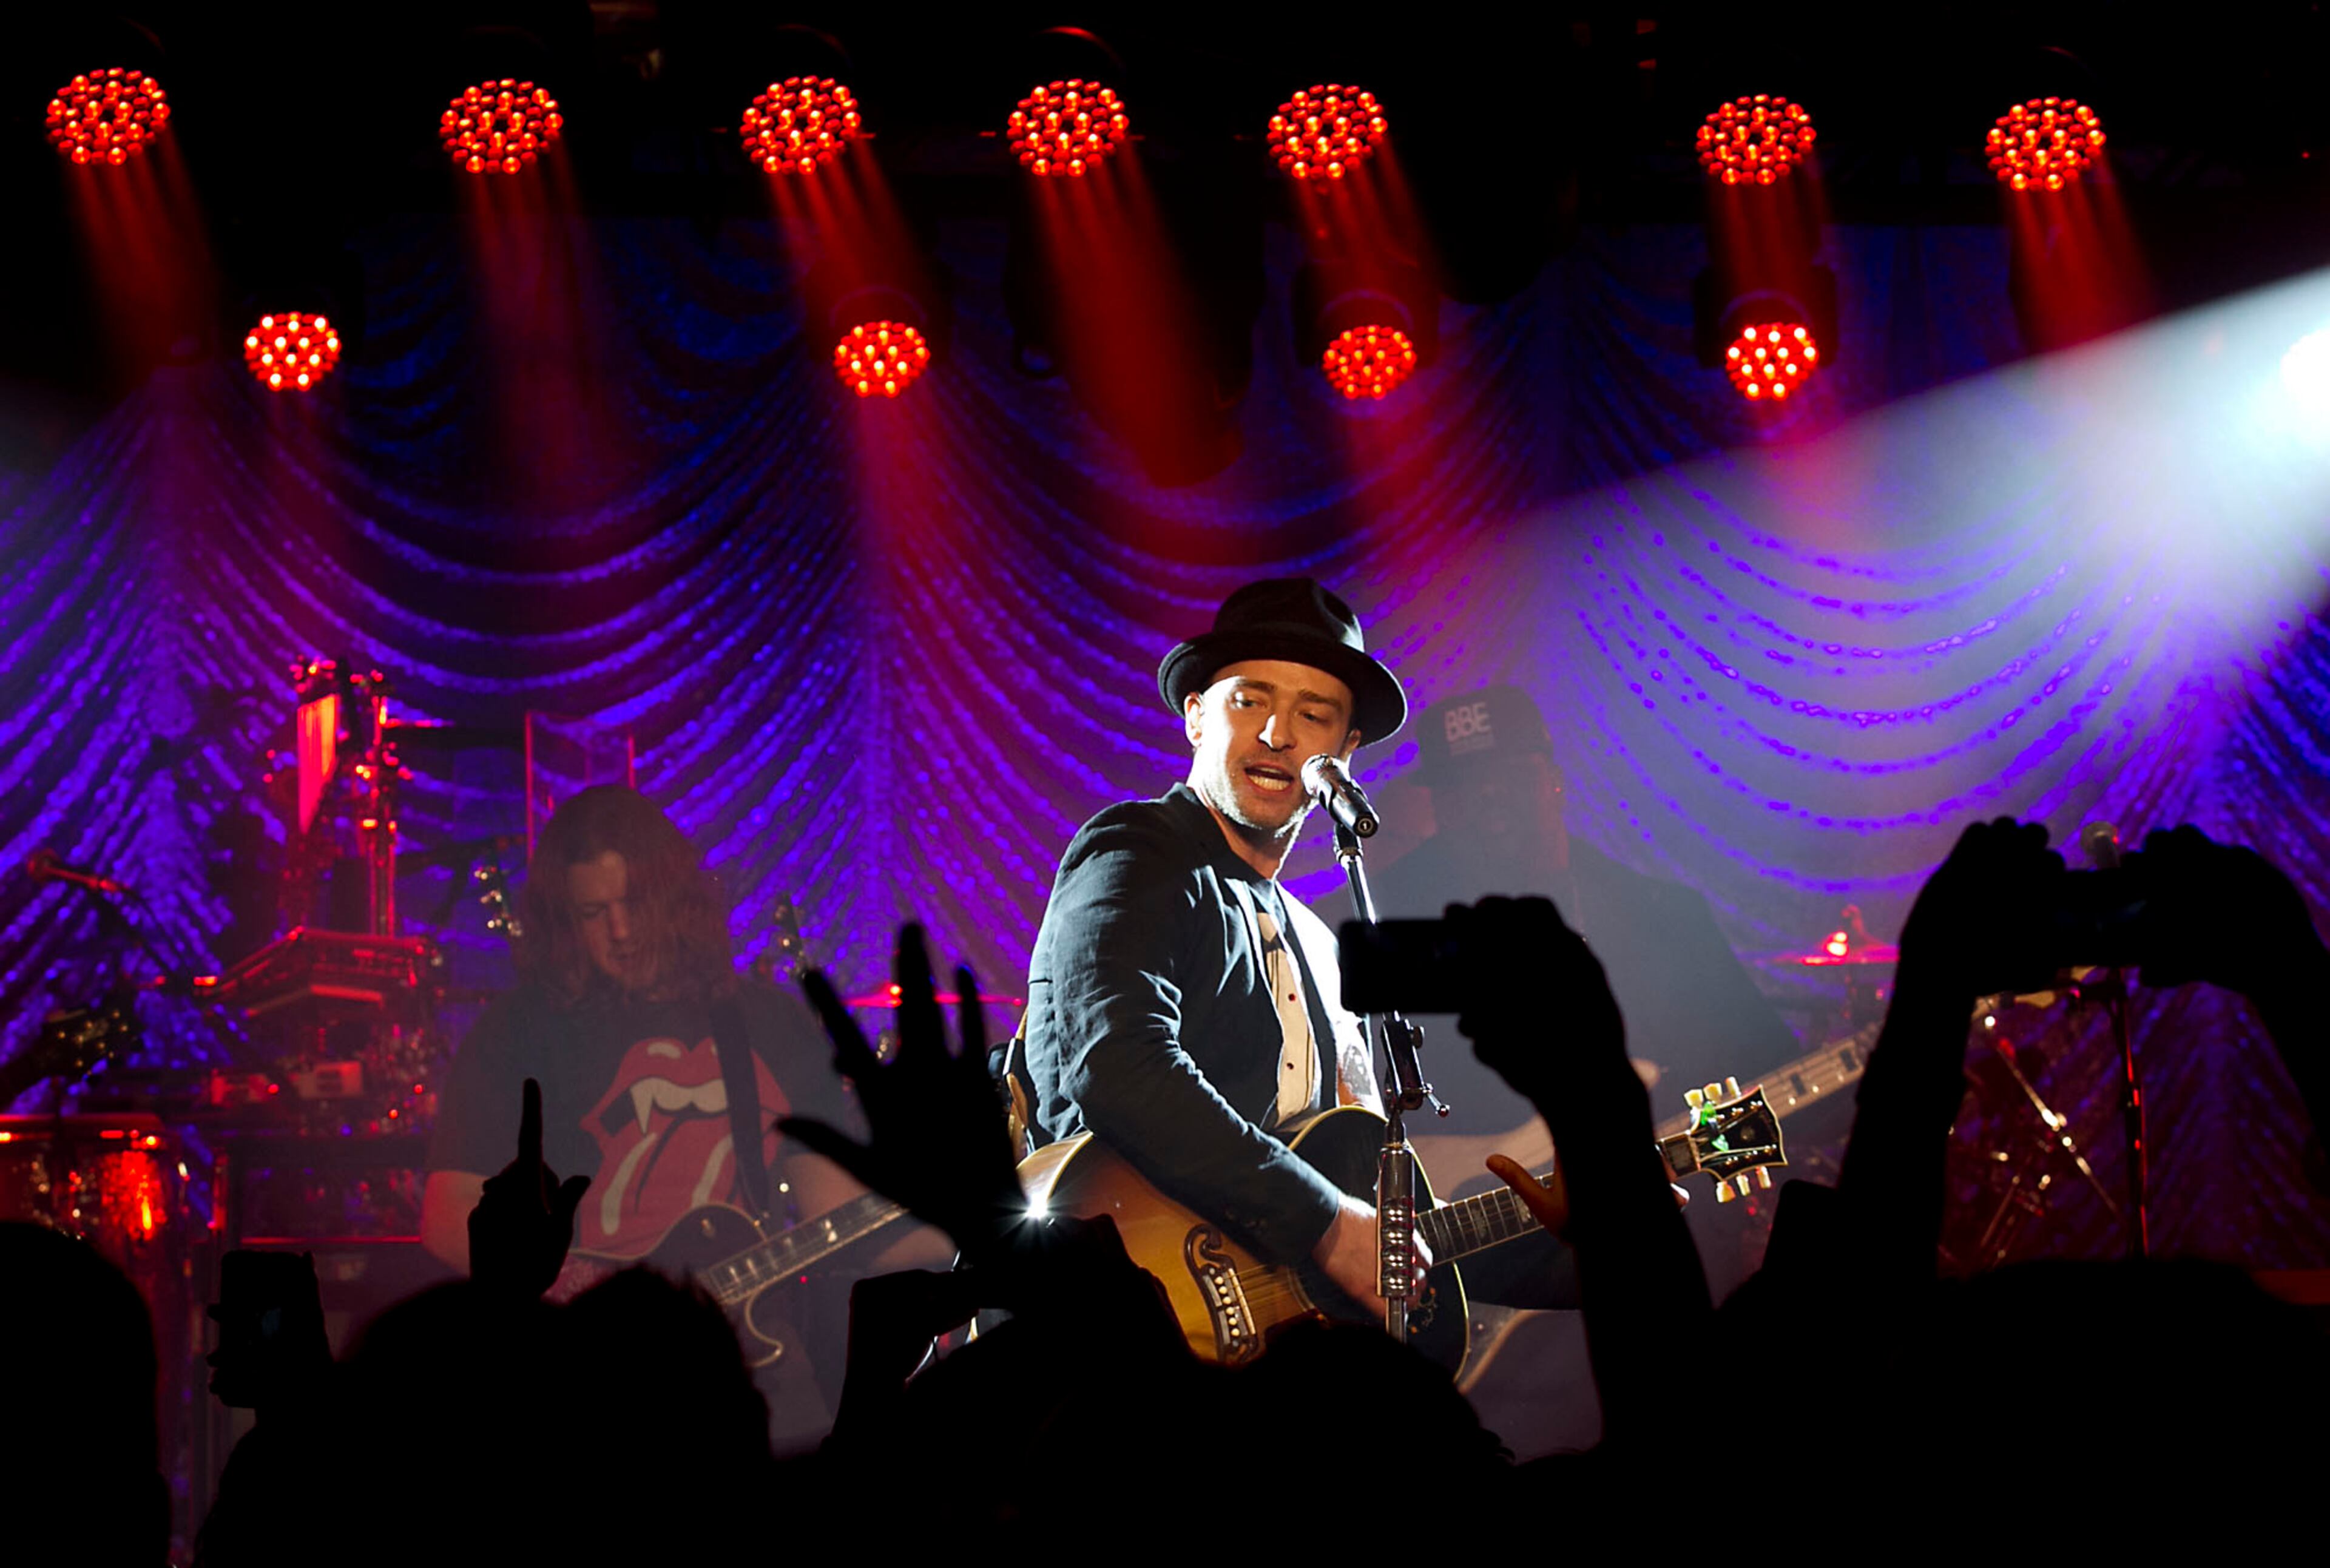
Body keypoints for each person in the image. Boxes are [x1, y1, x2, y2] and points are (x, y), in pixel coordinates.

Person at [419, 784, 884, 1446]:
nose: (621, 930)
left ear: (676, 894)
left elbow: (839, 1209)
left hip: (749, 1368)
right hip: (581, 1379)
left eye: (635, 902)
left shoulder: (765, 1023)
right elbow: (446, 1211)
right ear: (562, 923)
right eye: (592, 912)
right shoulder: (519, 1032)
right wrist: (575, 1288)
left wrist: (966, 1224)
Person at [1018, 577, 1433, 1309]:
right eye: (1251, 701)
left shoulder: (1316, 939)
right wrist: (1323, 1219)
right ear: (1196, 717)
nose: (1279, 733)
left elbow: (1376, 1227)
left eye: (1315, 714)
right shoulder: (1139, 853)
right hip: (1122, 1317)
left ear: (1347, 748)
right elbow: (1119, 1063)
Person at [1348, 684, 1801, 1197]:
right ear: (1441, 807)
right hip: (1475, 1252)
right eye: (1463, 785)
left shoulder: (1661, 913)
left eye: (1509, 774)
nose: (1489, 796)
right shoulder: (1380, 918)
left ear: (1555, 782)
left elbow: (1769, 1067)